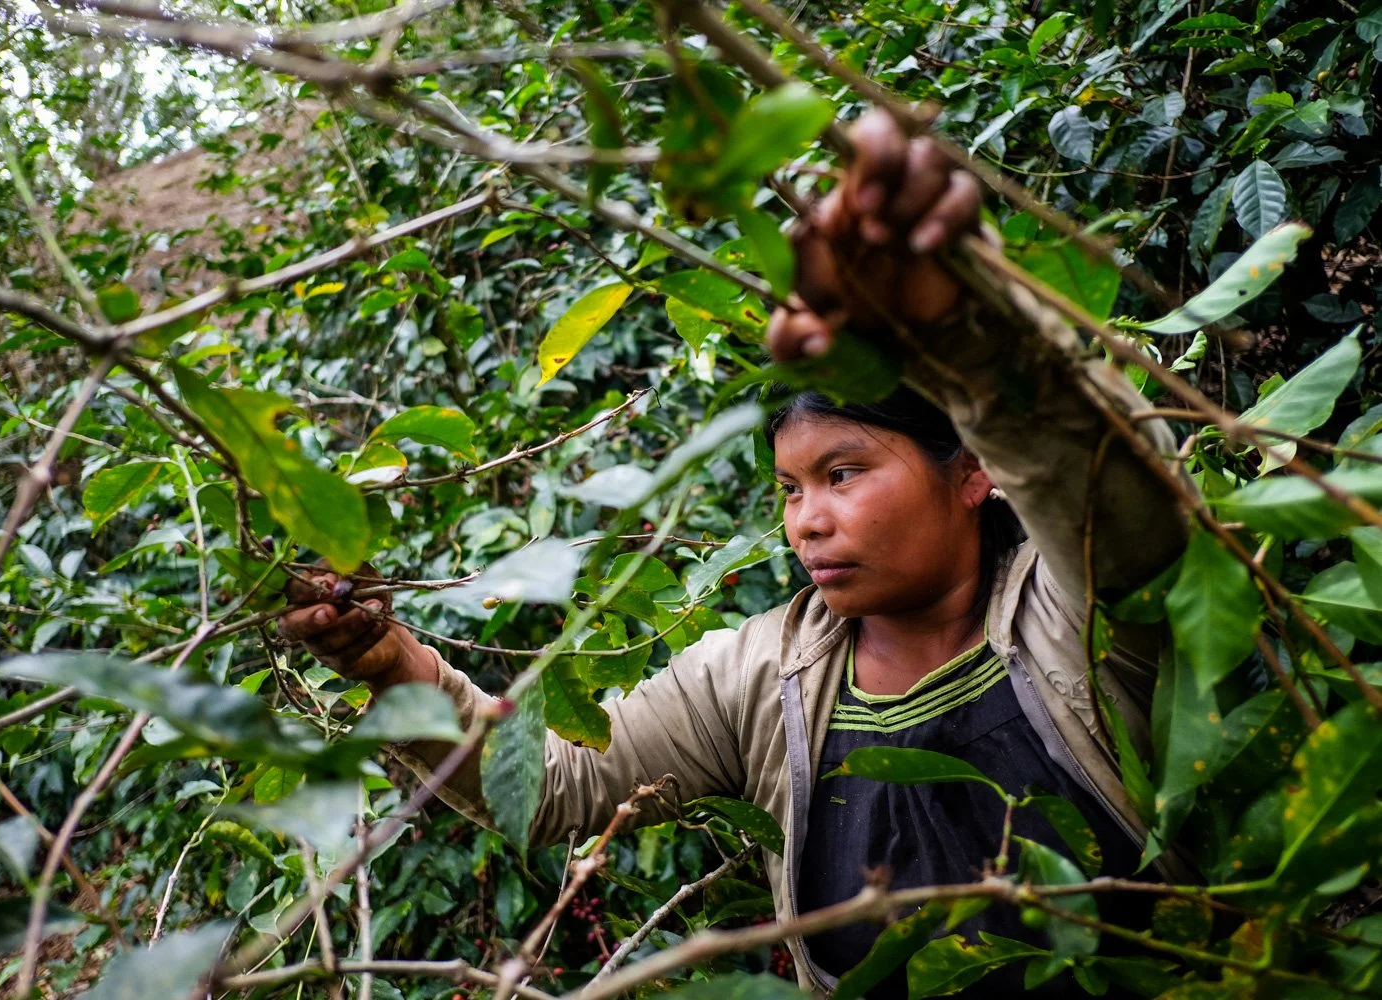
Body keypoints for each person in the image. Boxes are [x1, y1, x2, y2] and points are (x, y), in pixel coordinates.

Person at [277, 110, 1189, 995]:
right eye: (791, 490)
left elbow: (1113, 498)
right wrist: (387, 659)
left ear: (973, 471)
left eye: (844, 473)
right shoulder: (757, 677)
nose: (807, 522)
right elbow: (553, 785)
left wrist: (972, 340)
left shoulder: (1076, 612)